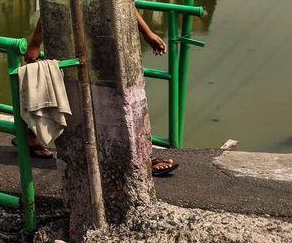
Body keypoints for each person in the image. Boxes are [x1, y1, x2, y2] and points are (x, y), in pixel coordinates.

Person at [25, 10, 178, 176]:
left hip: (102, 38)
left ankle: (138, 157)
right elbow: (56, 4)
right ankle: (136, 160)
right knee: (78, 96)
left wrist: (147, 33)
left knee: (92, 99)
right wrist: (35, 43)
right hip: (79, 39)